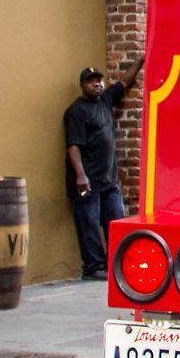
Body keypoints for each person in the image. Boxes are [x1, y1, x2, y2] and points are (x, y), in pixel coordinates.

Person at [64, 50, 144, 279]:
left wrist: (141, 59)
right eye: (91, 82)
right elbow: (73, 145)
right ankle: (93, 267)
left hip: (109, 180)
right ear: (82, 86)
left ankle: (114, 265)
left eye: (98, 81)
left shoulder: (106, 100)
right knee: (88, 225)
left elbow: (125, 81)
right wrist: (81, 176)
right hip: (88, 181)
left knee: (116, 222)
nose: (96, 85)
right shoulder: (76, 112)